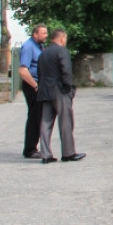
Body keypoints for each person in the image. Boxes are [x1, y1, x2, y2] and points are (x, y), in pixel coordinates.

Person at [36, 28, 85, 164]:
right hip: (59, 90)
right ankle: (68, 153)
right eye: (66, 39)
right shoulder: (62, 51)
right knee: (65, 121)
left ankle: (46, 154)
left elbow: (39, 73)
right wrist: (68, 88)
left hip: (45, 90)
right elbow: (66, 71)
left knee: (45, 122)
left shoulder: (43, 53)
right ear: (62, 38)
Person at [18, 24, 48, 159]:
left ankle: (34, 147)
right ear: (35, 34)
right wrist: (35, 86)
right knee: (34, 117)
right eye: (43, 33)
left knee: (39, 116)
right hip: (32, 85)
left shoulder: (39, 46)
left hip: (38, 85)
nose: (46, 36)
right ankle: (30, 149)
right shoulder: (28, 47)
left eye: (46, 33)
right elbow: (23, 70)